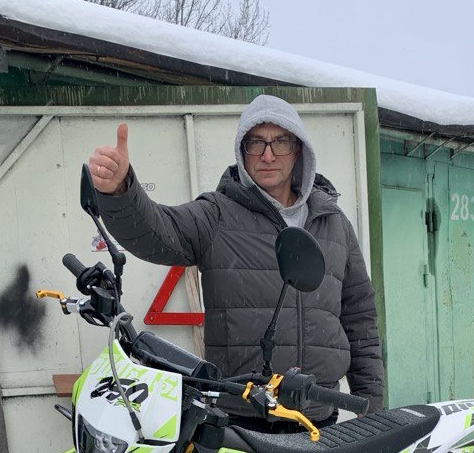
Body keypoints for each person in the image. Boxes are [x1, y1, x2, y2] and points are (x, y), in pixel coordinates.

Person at [87, 94, 384, 430]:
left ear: (298, 150)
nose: (268, 155)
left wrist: (370, 401)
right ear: (242, 152)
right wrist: (121, 191)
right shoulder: (217, 214)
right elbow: (156, 232)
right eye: (256, 143)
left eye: (280, 142)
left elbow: (359, 315)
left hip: (317, 417)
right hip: (241, 419)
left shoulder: (333, 222)